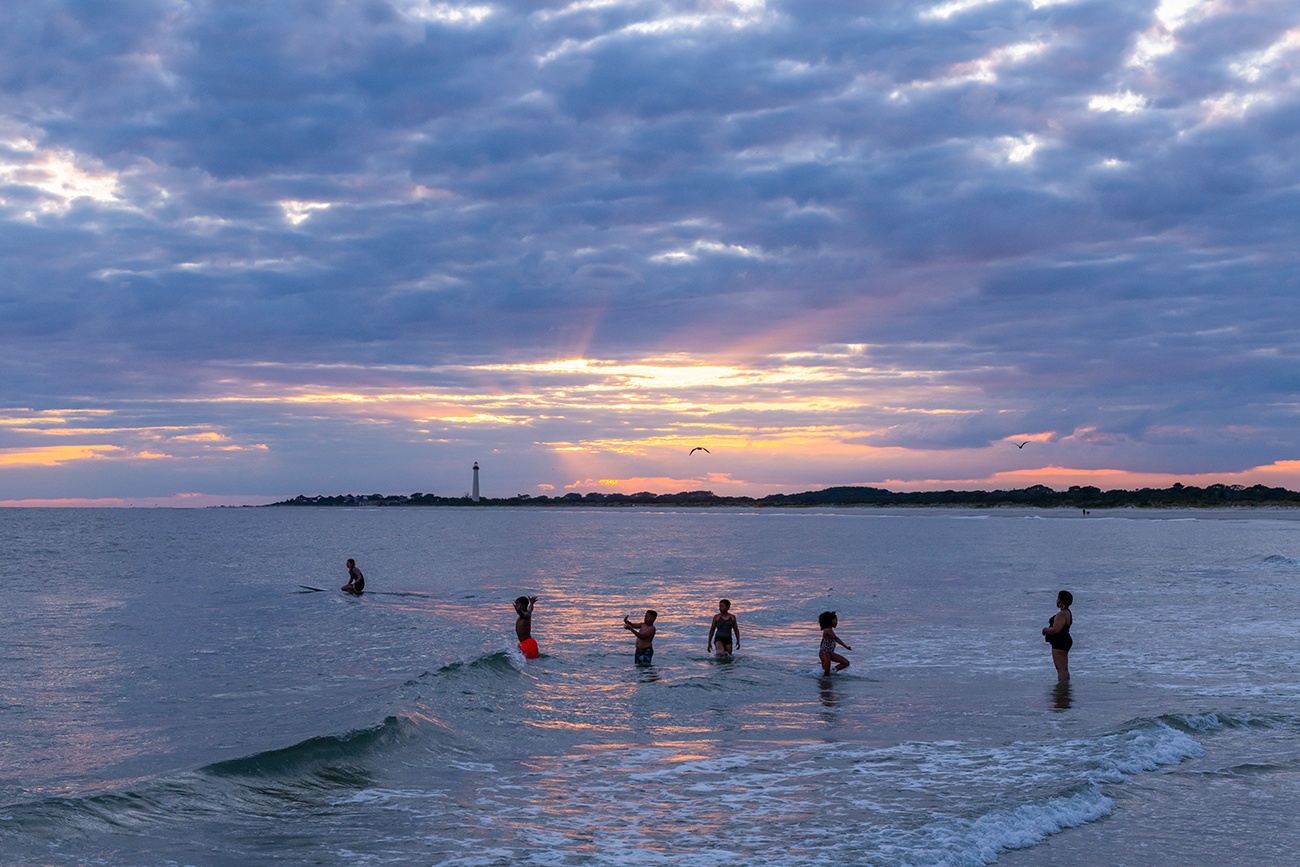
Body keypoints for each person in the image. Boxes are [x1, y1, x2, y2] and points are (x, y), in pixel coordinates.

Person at [1042, 590, 1073, 682]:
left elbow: (1056, 630)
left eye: (1058, 598)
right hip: (1065, 641)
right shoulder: (1067, 612)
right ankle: (1066, 687)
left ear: (1062, 601)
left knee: (1060, 669)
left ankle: (1062, 690)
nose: (1056, 600)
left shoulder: (1061, 614)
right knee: (1064, 668)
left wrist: (1045, 629)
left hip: (1059, 642)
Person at [818, 611, 851, 675]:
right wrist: (846, 646)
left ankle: (832, 672)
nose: (837, 622)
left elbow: (822, 642)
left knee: (846, 663)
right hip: (825, 653)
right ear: (830, 621)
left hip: (829, 653)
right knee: (826, 673)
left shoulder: (830, 630)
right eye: (836, 620)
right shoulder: (827, 630)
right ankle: (824, 681)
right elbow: (836, 638)